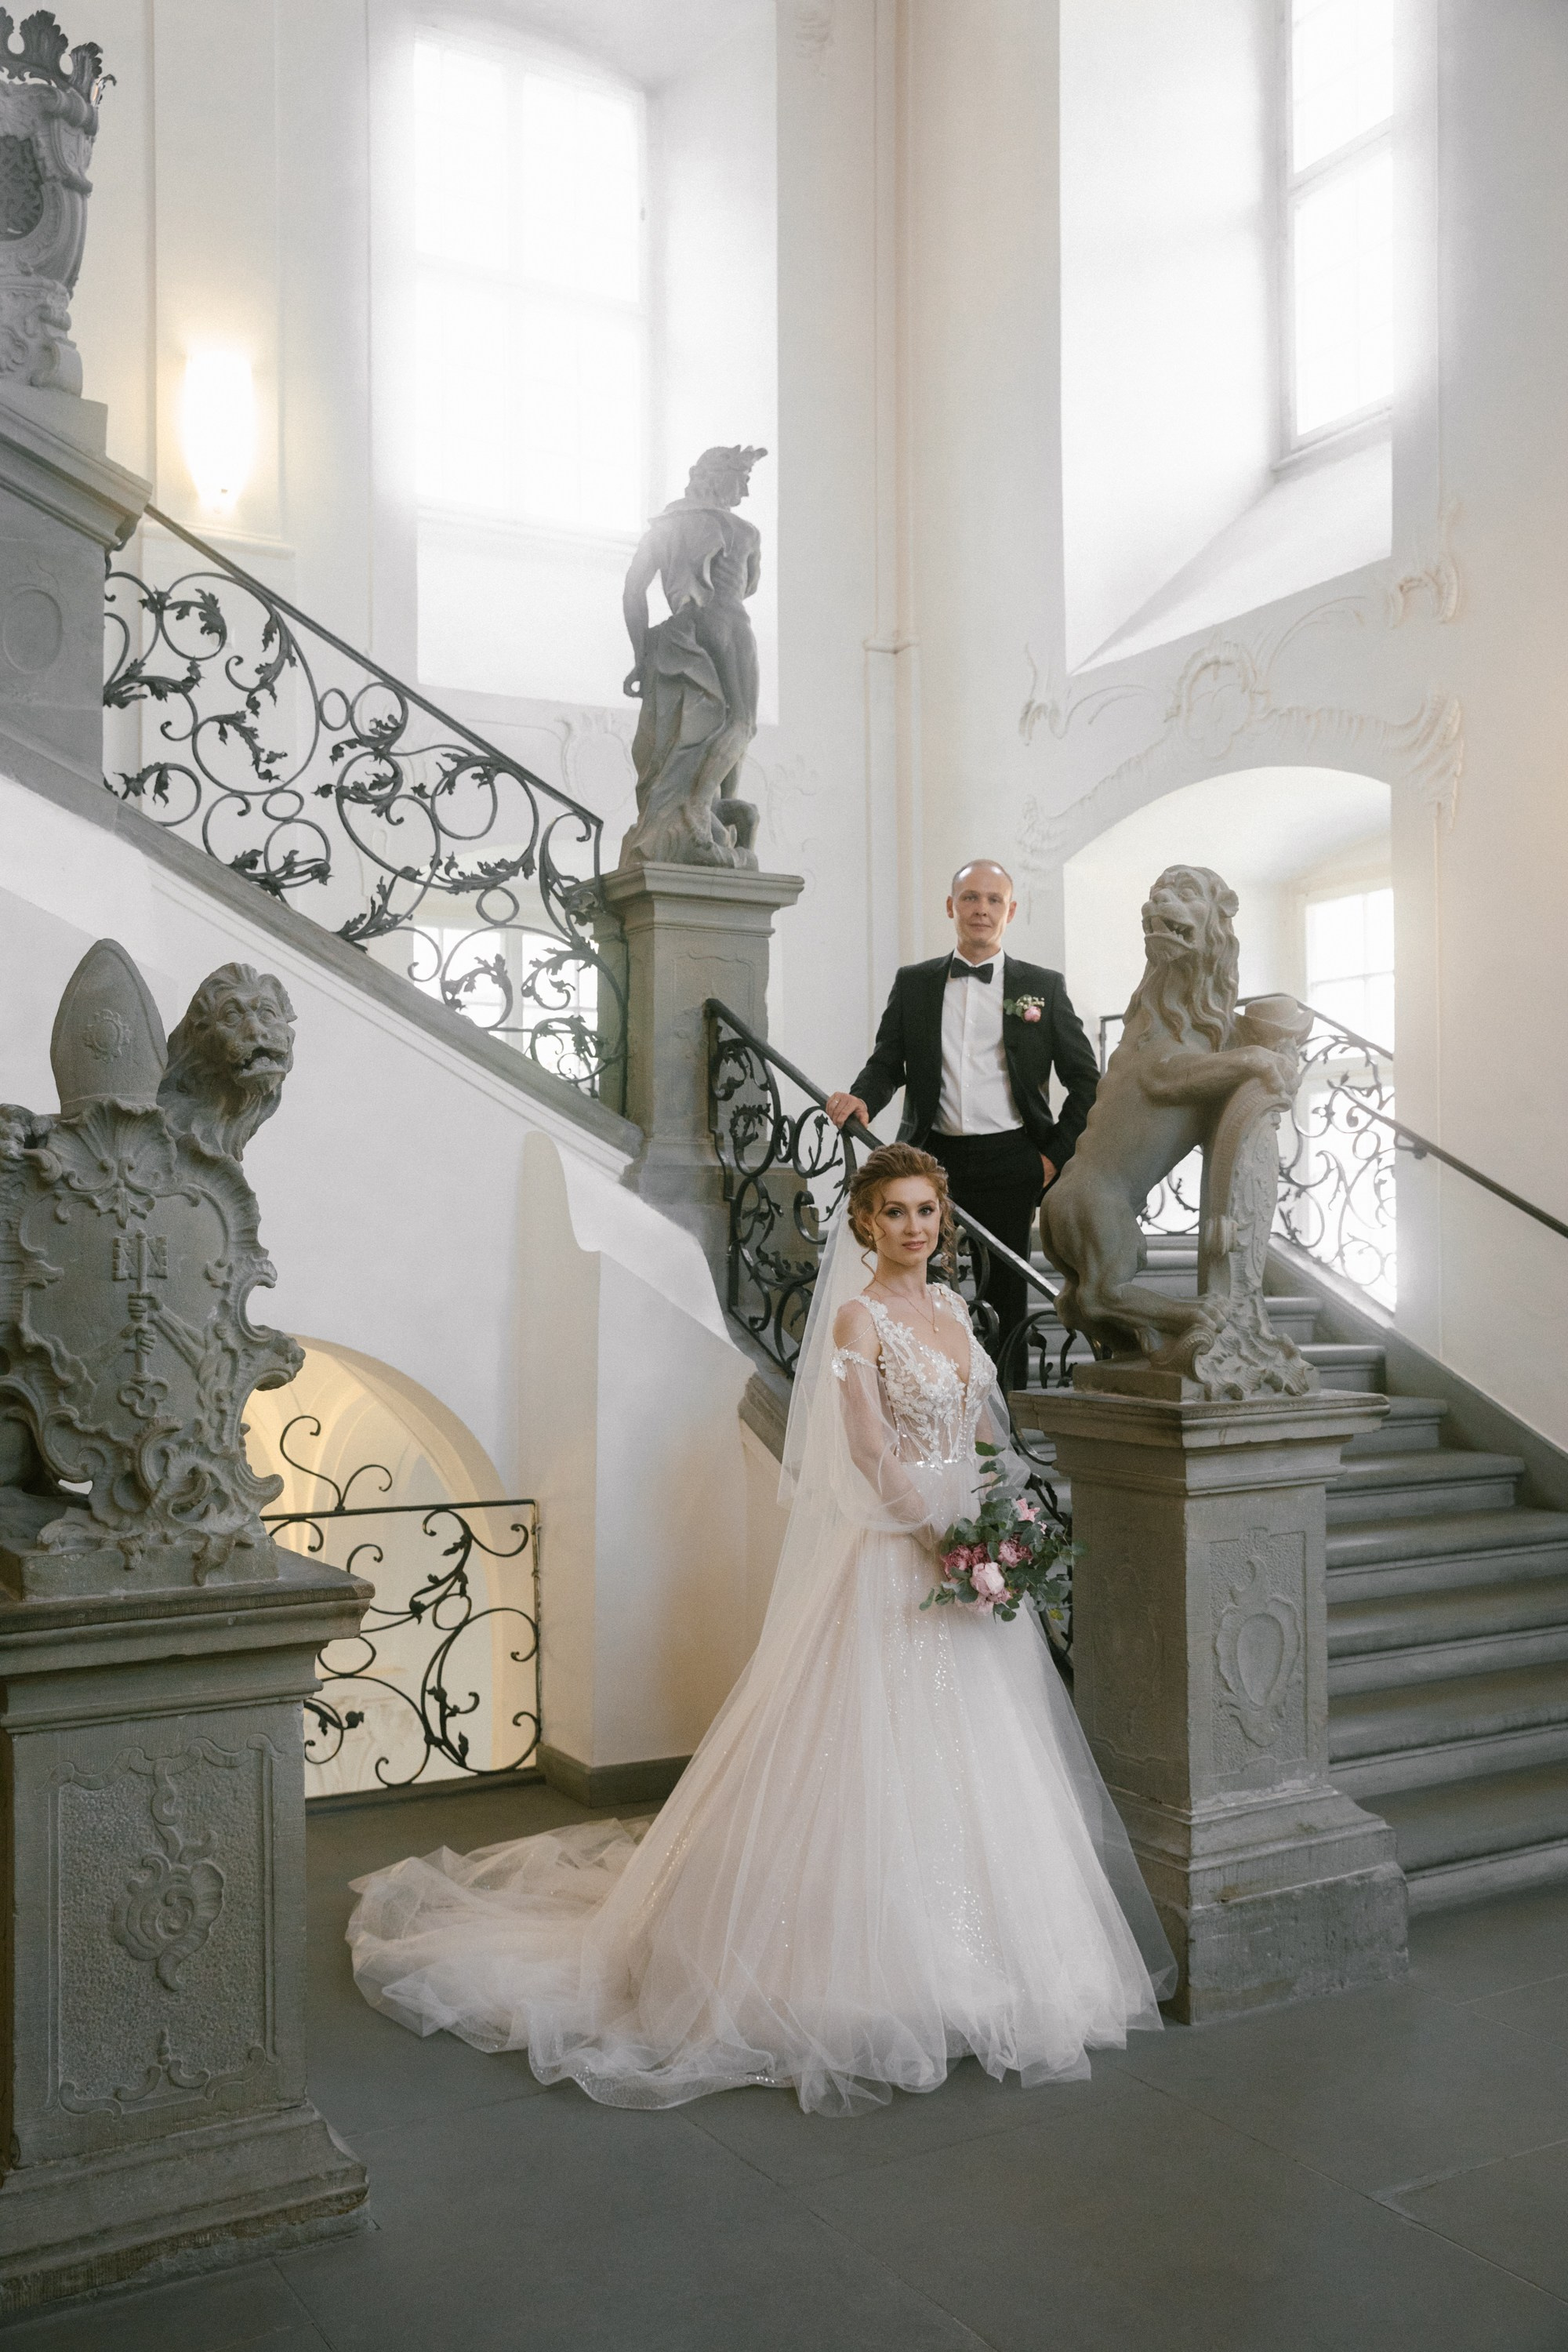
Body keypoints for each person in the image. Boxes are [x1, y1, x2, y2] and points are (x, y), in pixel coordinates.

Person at [345, 1145, 1173, 2118]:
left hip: (971, 1548)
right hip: (896, 1551)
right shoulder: (858, 1319)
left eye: (925, 1212)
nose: (914, 1228)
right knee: (865, 1742)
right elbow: (865, 1446)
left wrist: (1001, 1516)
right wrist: (938, 1535)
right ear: (863, 1223)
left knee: (989, 1745)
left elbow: (983, 1430)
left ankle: (996, 1963)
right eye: (894, 1212)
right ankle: (861, 1972)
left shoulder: (951, 1312)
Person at [826, 862, 1100, 1350]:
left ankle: (1001, 1414)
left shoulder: (1044, 986)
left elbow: (1086, 1083)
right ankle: (929, 1409)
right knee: (920, 1288)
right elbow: (888, 1062)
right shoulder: (914, 983)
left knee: (1005, 1299)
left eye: (994, 900)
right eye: (971, 898)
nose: (982, 909)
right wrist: (862, 1097)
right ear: (951, 906)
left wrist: (1053, 1156)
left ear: (1010, 910)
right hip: (930, 1162)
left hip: (1014, 1161)